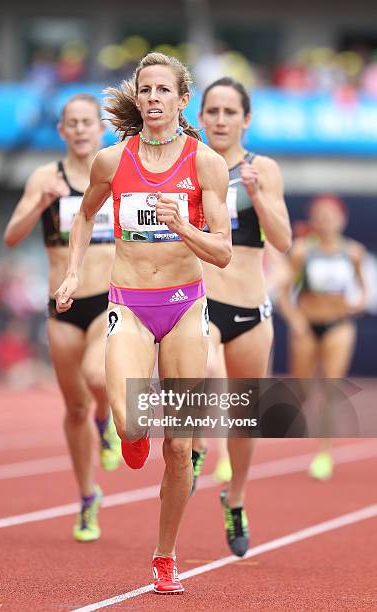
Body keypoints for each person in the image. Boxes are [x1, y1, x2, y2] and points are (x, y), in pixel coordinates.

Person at [55, 52, 232, 594]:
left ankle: (164, 556)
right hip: (129, 303)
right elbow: (85, 215)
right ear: (138, 100)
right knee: (132, 425)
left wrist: (184, 227)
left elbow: (222, 252)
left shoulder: (207, 165)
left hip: (184, 305)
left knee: (179, 446)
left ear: (182, 101)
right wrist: (71, 272)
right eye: (146, 90)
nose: (153, 98)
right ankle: (131, 434)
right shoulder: (111, 162)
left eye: (163, 90)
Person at [4, 94, 120, 542]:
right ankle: (88, 496)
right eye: (71, 123)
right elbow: (12, 236)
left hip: (109, 297)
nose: (79, 129)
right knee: (73, 407)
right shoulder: (44, 177)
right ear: (61, 131)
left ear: (100, 127)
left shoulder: (115, 172)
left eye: (86, 121)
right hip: (63, 306)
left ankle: (106, 416)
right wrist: (39, 204)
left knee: (97, 375)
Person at [191, 77, 292, 557]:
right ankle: (193, 450)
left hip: (252, 309)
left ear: (246, 119)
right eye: (212, 111)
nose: (221, 120)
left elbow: (285, 240)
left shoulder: (262, 168)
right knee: (206, 372)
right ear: (200, 117)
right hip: (201, 300)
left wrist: (260, 194)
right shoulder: (188, 163)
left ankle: (235, 499)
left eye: (230, 112)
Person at [279, 194, 367, 479]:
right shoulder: (303, 251)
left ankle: (324, 453)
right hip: (307, 324)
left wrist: (359, 301)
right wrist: (296, 321)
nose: (326, 221)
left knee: (329, 387)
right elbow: (283, 294)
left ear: (342, 219)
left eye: (331, 215)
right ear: (314, 219)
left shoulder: (353, 252)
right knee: (302, 389)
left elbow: (364, 288)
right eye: (320, 215)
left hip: (338, 326)